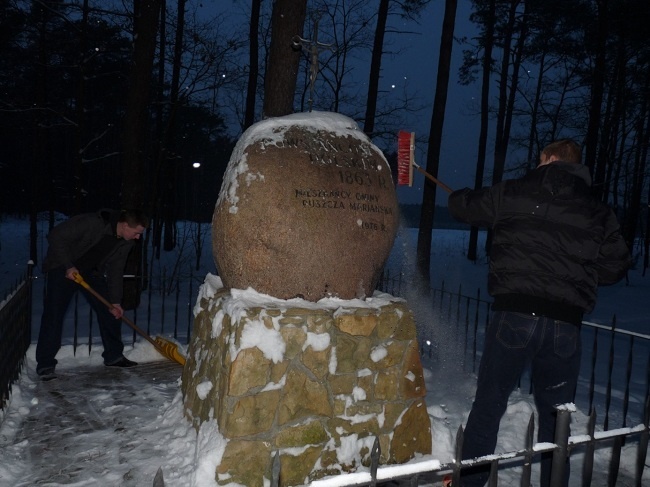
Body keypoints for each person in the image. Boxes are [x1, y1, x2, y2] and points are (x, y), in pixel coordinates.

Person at [447, 139, 631, 487]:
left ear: (548, 159)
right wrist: (581, 271)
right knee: (556, 418)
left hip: (513, 317)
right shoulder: (597, 211)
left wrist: (461, 195)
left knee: (489, 404)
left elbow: (464, 207)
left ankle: (470, 482)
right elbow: (615, 266)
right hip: (565, 326)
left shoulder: (514, 192)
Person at [36, 208, 149, 380]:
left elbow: (116, 271)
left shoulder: (126, 242)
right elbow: (55, 236)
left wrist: (116, 302)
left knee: (110, 309)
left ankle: (114, 356)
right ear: (125, 225)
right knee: (54, 314)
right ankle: (45, 364)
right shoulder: (92, 223)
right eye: (136, 232)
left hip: (89, 272)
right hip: (62, 267)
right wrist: (68, 265)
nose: (138, 237)